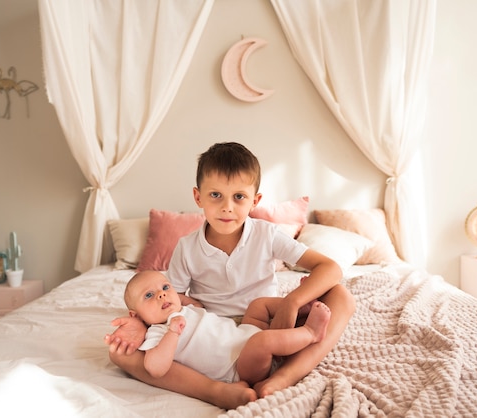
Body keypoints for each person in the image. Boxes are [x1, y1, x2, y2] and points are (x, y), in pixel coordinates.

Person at [105, 142, 356, 409]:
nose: (227, 207)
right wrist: (140, 324)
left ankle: (284, 377)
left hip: (268, 322)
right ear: (198, 197)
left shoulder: (267, 235)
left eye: (238, 197)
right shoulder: (187, 247)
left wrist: (293, 301)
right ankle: (215, 390)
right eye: (215, 195)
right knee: (119, 353)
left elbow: (330, 268)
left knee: (341, 296)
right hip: (211, 334)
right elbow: (168, 300)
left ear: (254, 201)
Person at [125, 270, 331, 385]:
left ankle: (301, 307)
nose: (161, 295)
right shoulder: (157, 333)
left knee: (258, 305)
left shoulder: (184, 310)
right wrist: (172, 333)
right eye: (149, 296)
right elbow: (154, 368)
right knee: (262, 342)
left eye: (165, 287)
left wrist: (178, 299)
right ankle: (310, 332)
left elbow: (198, 305)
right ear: (136, 315)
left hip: (244, 333)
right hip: (240, 366)